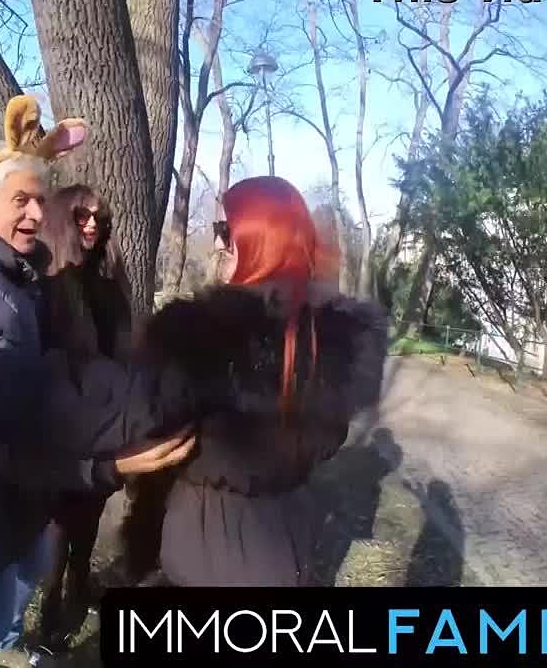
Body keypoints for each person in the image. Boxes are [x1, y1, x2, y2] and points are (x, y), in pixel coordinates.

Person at [0, 95, 195, 668]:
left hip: (18, 495)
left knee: (21, 580)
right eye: (21, 201)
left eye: (40, 200)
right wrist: (103, 462)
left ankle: (11, 644)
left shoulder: (6, 273)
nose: (35, 214)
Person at [119, 175, 389, 586]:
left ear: (260, 238)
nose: (217, 244)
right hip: (286, 542)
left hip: (202, 546)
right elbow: (329, 441)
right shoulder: (332, 341)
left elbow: (144, 426)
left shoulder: (196, 337)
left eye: (225, 230)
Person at [33, 184, 133, 653]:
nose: (93, 224)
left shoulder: (109, 278)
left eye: (99, 217)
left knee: (92, 507)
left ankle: (79, 583)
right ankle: (49, 607)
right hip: (63, 420)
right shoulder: (48, 283)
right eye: (82, 216)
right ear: (62, 221)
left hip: (104, 416)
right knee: (60, 516)